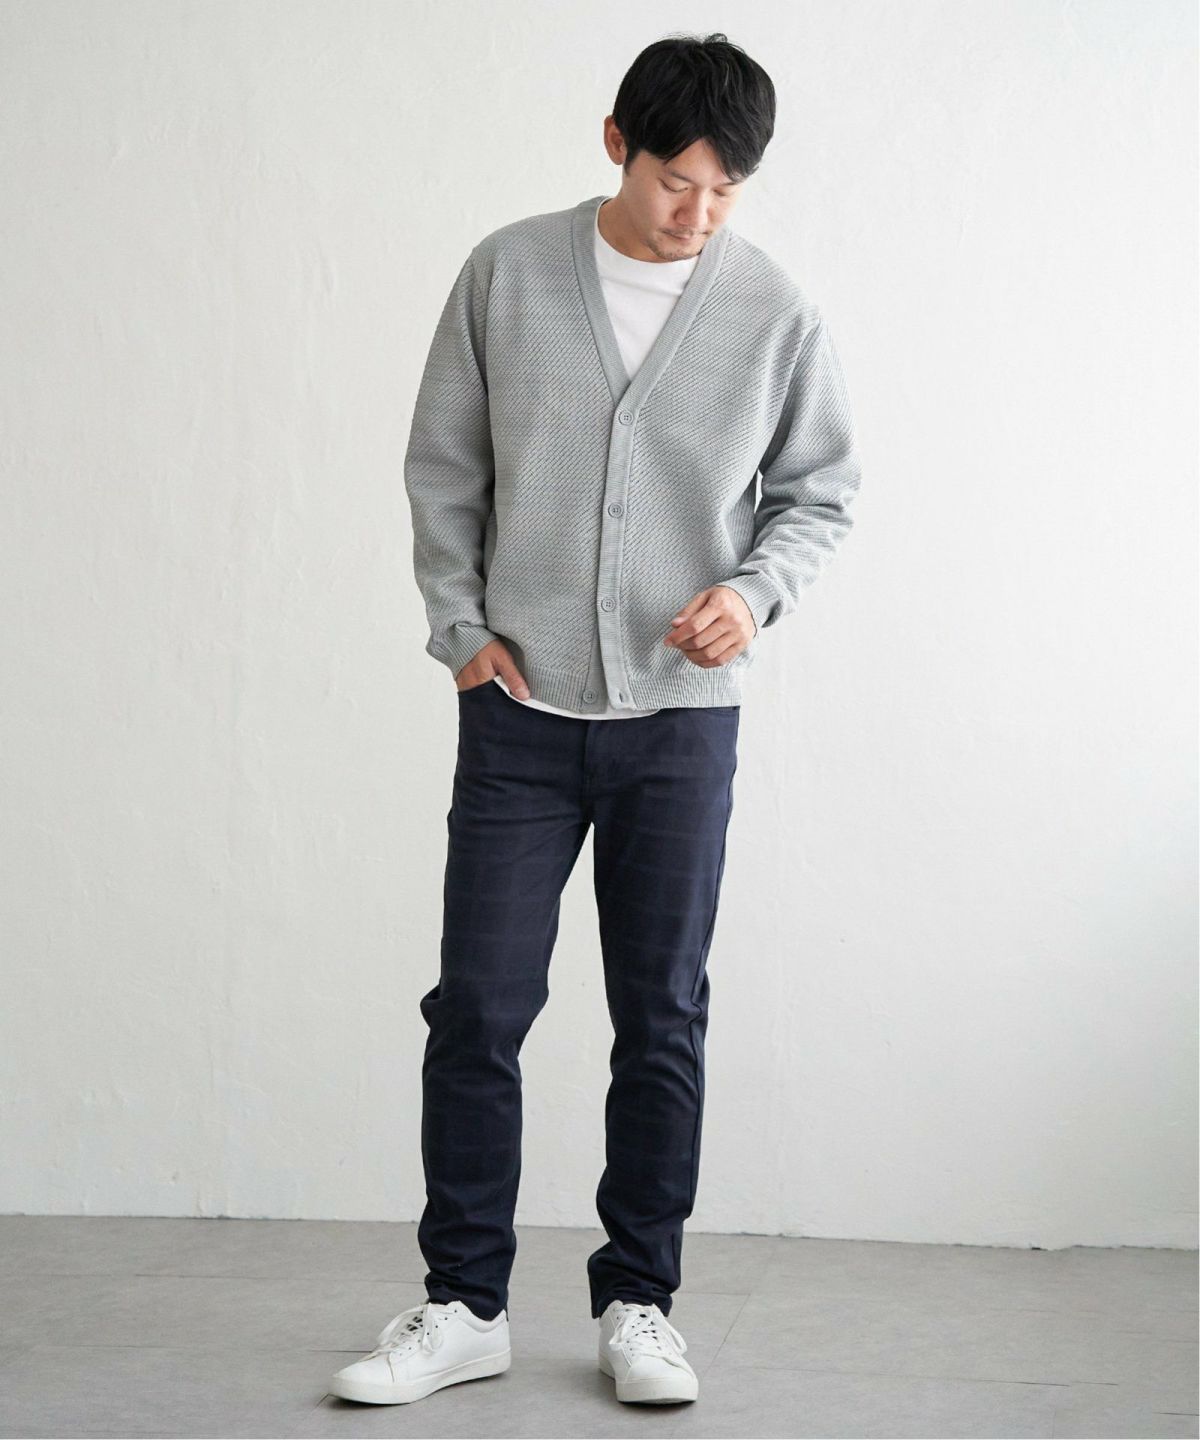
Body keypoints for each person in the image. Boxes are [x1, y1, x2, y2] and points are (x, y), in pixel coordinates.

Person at [330, 30, 861, 1409]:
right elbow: (443, 464)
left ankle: (641, 1302)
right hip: (518, 714)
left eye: (727, 190)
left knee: (661, 1015)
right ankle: (464, 1305)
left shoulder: (774, 310)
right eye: (678, 180)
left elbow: (820, 492)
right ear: (617, 142)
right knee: (478, 1008)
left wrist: (753, 594)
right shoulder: (508, 274)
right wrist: (461, 633)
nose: (699, 212)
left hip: (679, 726)